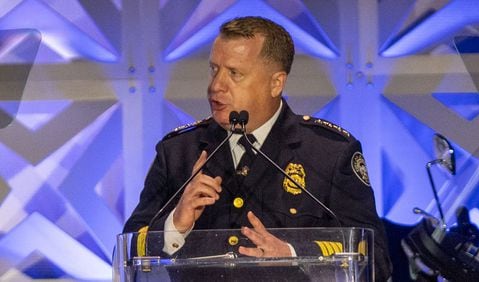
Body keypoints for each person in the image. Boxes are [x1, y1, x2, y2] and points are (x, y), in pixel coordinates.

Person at [123, 16, 392, 280]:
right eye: (214, 69)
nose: (216, 86)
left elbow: (375, 259)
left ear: (276, 83)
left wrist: (293, 253)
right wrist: (175, 225)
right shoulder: (178, 152)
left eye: (234, 73)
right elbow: (127, 253)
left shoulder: (329, 153)